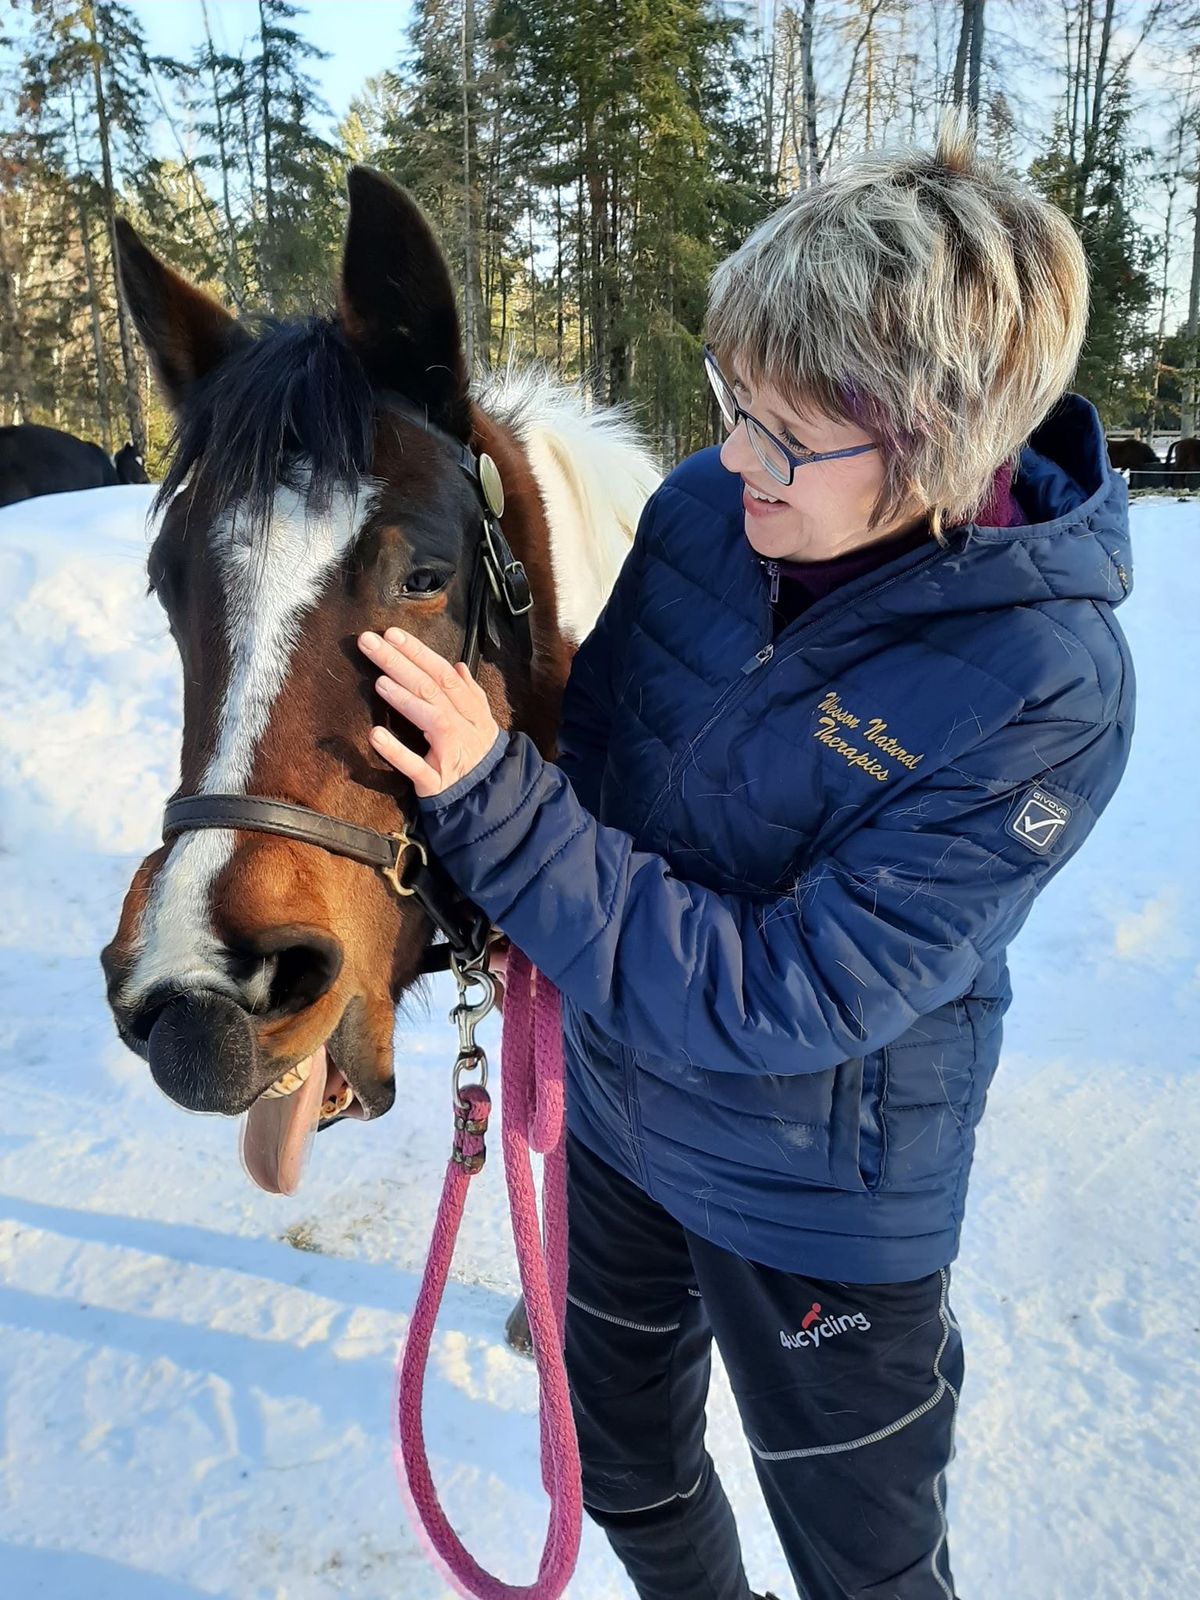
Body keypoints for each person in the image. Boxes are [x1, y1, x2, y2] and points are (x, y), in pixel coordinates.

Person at [358, 121, 1133, 1600]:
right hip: (619, 1124)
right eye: (734, 398)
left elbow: (787, 992)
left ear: (938, 444)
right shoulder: (711, 515)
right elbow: (605, 757)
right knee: (623, 1467)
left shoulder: (1046, 685)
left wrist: (503, 810)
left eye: (786, 432)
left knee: (869, 1570)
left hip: (814, 1199)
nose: (731, 455)